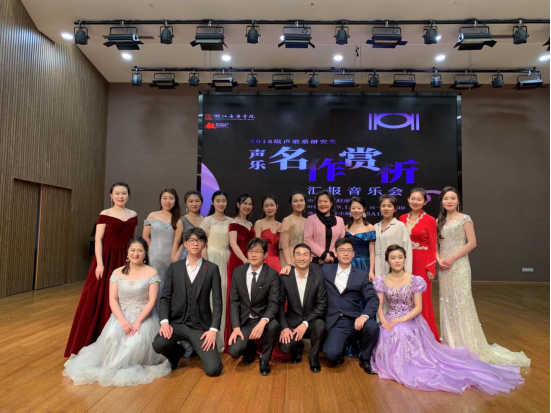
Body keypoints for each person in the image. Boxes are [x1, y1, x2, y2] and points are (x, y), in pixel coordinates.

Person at [372, 245, 525, 395]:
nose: (397, 261)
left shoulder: (414, 280)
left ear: (405, 259)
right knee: (384, 333)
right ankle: (395, 365)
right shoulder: (382, 280)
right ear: (387, 260)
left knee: (401, 331)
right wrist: (383, 320)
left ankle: (407, 367)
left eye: (400, 257)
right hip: (390, 317)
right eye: (393, 258)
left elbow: (418, 308)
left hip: (409, 318)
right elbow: (378, 304)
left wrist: (402, 319)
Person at [437, 187, 531, 367]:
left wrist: (452, 258)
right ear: (442, 201)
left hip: (459, 266)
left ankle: (467, 344)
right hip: (444, 268)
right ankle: (451, 343)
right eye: (446, 198)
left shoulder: (465, 219)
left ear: (458, 201)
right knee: (446, 302)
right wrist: (439, 259)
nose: (449, 201)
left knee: (462, 302)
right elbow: (434, 245)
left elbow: (472, 243)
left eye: (453, 198)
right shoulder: (438, 222)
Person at [63, 237, 171, 386]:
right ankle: (111, 366)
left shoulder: (152, 273)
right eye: (133, 250)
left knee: (135, 343)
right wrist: (122, 321)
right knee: (112, 336)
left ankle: (119, 366)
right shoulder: (117, 273)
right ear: (127, 252)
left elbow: (152, 301)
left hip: (143, 317)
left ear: (145, 253)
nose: (136, 254)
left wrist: (138, 321)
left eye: (140, 251)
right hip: (121, 316)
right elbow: (113, 300)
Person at [65, 183, 138, 357]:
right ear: (111, 195)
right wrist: (100, 263)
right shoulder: (105, 214)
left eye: (124, 193)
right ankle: (95, 340)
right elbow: (98, 240)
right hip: (107, 258)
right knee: (98, 296)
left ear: (128, 195)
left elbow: (133, 240)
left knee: (125, 296)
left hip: (126, 258)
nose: (120, 196)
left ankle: (122, 341)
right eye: (117, 193)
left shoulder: (133, 215)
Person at [152, 228, 224, 377]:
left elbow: (218, 302)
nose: (195, 243)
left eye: (200, 240)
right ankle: (177, 353)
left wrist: (213, 330)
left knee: (214, 369)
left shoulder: (212, 268)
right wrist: (164, 322)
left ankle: (208, 356)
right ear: (185, 243)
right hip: (177, 323)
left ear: (204, 244)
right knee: (159, 343)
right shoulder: (174, 267)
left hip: (199, 326)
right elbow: (165, 298)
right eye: (192, 240)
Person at [322, 238, 380, 374]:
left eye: (349, 250)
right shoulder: (326, 270)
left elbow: (373, 298)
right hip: (336, 321)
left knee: (372, 326)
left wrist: (364, 316)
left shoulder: (362, 275)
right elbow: (308, 273)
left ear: (353, 254)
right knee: (331, 355)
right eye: (342, 250)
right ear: (336, 253)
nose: (345, 253)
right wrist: (290, 267)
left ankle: (365, 358)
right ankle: (340, 347)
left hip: (356, 320)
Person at [228, 238, 281, 376]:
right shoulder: (238, 272)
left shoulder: (272, 274)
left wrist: (263, 322)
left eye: (258, 251)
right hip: (245, 320)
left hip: (263, 318)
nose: (253, 254)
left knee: (274, 326)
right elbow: (234, 301)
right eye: (251, 251)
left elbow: (274, 303)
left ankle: (265, 359)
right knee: (234, 351)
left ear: (265, 255)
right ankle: (249, 349)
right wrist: (236, 327)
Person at [399, 188, 440, 342]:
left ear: (425, 202)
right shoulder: (402, 218)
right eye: (413, 198)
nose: (415, 202)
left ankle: (425, 337)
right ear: (408, 200)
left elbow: (433, 245)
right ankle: (407, 336)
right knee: (405, 296)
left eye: (419, 199)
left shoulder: (430, 220)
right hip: (404, 262)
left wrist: (430, 268)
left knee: (422, 298)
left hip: (421, 262)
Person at [279, 244, 327, 373]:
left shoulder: (318, 278)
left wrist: (305, 323)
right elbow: (279, 305)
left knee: (320, 325)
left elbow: (321, 305)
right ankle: (297, 348)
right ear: (293, 258)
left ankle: (313, 357)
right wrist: (284, 327)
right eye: (298, 254)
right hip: (292, 320)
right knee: (285, 347)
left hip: (311, 321)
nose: (302, 258)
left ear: (311, 258)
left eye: (305, 254)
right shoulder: (285, 278)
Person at [199, 190, 232, 351]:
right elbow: (201, 243)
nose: (221, 203)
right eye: (217, 200)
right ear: (212, 202)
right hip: (211, 257)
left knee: (225, 295)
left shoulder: (231, 221)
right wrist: (206, 263)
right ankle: (211, 338)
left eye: (223, 200)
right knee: (211, 296)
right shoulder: (207, 221)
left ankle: (224, 338)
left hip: (227, 258)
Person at [344, 196, 376, 358]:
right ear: (349, 210)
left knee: (363, 300)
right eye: (353, 208)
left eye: (359, 208)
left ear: (364, 210)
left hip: (363, 266)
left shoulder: (370, 227)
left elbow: (372, 251)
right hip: (348, 266)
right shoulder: (345, 227)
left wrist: (371, 270)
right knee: (350, 300)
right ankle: (350, 342)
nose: (356, 211)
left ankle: (365, 342)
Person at [143, 188, 181, 315]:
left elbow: (180, 240)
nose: (167, 201)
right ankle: (155, 315)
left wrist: (176, 255)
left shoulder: (179, 218)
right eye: (164, 198)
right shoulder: (152, 215)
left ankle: (168, 316)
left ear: (175, 200)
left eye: (171, 198)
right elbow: (145, 237)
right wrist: (153, 249)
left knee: (170, 285)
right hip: (155, 255)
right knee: (156, 283)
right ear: (160, 200)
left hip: (172, 256)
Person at [226, 194, 256, 348]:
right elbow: (233, 244)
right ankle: (234, 335)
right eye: (244, 203)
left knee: (249, 297)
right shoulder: (233, 222)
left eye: (250, 204)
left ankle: (248, 338)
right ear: (238, 205)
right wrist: (245, 260)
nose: (247, 206)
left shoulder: (250, 224)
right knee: (236, 296)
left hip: (251, 261)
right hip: (238, 261)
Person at [303, 189, 346, 272]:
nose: (322, 204)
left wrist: (331, 254)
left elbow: (341, 241)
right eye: (320, 202)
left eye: (325, 201)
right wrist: (323, 255)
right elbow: (307, 240)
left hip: (334, 261)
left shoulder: (340, 220)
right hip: (316, 262)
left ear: (331, 203)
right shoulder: (311, 219)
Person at [374, 194, 412, 279]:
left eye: (389, 206)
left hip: (396, 269)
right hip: (378, 269)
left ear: (395, 209)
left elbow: (407, 249)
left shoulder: (400, 226)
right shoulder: (376, 227)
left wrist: (408, 272)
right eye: (383, 206)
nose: (386, 208)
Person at [172, 191, 205, 262]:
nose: (194, 204)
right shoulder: (182, 220)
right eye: (191, 201)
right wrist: (173, 259)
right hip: (186, 255)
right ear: (186, 204)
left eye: (197, 201)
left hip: (203, 254)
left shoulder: (206, 220)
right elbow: (176, 242)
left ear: (201, 203)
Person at [255, 195, 283, 273]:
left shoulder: (281, 225)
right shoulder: (259, 223)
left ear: (276, 206)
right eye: (266, 206)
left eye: (272, 205)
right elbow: (256, 244)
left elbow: (282, 247)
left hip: (278, 261)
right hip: (263, 260)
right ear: (263, 208)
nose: (269, 208)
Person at [280, 191, 307, 267]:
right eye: (295, 201)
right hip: (290, 258)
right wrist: (289, 265)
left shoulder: (308, 221)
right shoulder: (287, 220)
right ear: (290, 204)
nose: (299, 203)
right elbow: (285, 247)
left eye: (301, 200)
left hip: (304, 259)